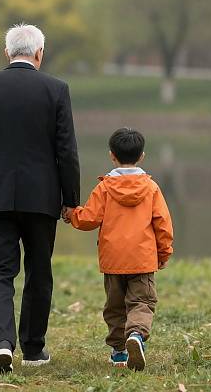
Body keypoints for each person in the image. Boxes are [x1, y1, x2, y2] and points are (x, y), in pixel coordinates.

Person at [0, 23, 80, 373]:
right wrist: (70, 198)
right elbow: (66, 150)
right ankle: (32, 349)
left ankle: (1, 344)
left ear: (8, 53)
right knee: (39, 272)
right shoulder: (56, 89)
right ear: (39, 53)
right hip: (42, 198)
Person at [63, 128, 173, 371]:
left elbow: (89, 219)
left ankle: (119, 350)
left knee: (115, 306)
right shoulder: (152, 188)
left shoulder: (104, 188)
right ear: (142, 156)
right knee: (142, 302)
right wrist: (163, 253)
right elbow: (163, 224)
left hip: (113, 260)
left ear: (112, 156)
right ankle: (136, 335)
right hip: (143, 259)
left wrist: (72, 214)